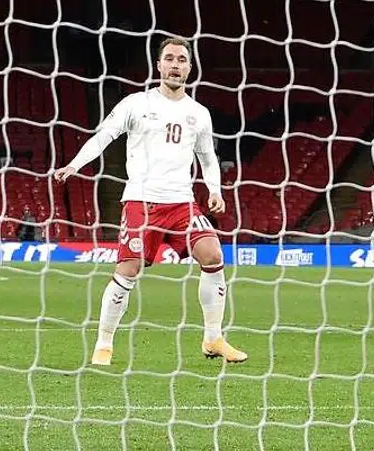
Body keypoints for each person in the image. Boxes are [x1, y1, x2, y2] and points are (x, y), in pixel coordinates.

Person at [55, 36, 246, 366]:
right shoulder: (136, 104)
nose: (175, 65)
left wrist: (215, 191)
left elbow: (208, 158)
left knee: (213, 254)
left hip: (182, 204)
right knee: (128, 270)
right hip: (141, 202)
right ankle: (104, 343)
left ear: (189, 67)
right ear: (158, 65)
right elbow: (104, 135)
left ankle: (213, 338)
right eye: (169, 59)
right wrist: (74, 164)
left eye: (182, 60)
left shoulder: (198, 114)